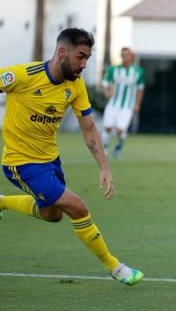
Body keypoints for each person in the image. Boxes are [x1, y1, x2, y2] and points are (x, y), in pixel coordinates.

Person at [0, 28, 143, 286]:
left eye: (87, 58)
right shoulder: (23, 75)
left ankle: (2, 203)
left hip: (50, 161)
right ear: (62, 52)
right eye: (80, 57)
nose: (84, 64)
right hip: (21, 163)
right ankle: (115, 267)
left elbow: (89, 129)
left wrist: (105, 168)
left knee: (53, 215)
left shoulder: (75, 86)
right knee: (78, 207)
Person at [101, 47, 145, 158]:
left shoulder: (138, 71)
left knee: (120, 130)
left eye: (126, 55)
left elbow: (140, 89)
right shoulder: (113, 69)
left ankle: (119, 143)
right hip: (113, 104)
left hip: (127, 106)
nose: (124, 57)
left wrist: (138, 104)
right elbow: (105, 83)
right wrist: (107, 92)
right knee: (107, 127)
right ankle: (105, 148)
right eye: (122, 55)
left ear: (131, 57)